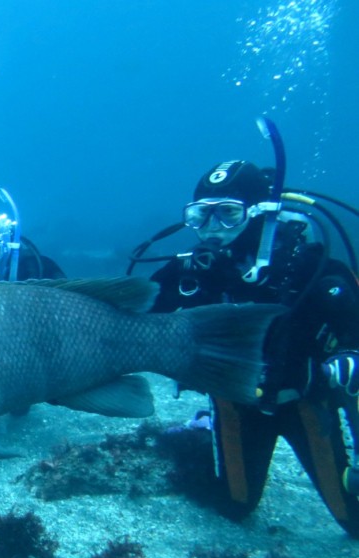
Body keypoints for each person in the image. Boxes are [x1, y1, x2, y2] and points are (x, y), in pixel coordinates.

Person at [145, 158, 359, 537]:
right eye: (200, 215)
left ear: (263, 213)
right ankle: (200, 432)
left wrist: (346, 359)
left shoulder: (313, 268)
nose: (212, 229)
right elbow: (131, 306)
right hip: (236, 404)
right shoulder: (192, 271)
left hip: (307, 403)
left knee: (353, 518)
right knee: (233, 507)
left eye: (228, 214)